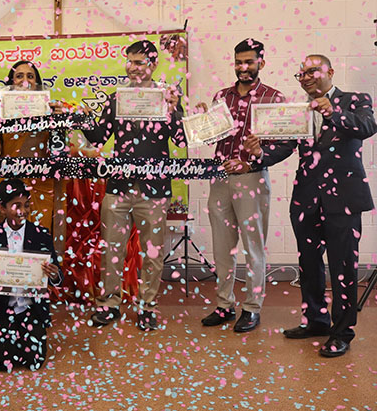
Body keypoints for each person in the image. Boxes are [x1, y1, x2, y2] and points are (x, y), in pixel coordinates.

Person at [245, 54, 377, 357]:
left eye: (311, 71)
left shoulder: (355, 100)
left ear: (330, 71)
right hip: (305, 199)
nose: (305, 77)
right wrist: (259, 154)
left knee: (343, 266)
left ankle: (342, 332)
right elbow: (284, 147)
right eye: (301, 74)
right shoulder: (298, 111)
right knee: (309, 264)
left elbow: (367, 126)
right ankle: (315, 321)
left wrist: (332, 112)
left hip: (344, 199)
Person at [83, 40, 185, 331]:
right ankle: (109, 304)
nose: (132, 67)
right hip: (118, 186)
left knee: (152, 254)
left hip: (155, 188)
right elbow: (99, 138)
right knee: (111, 250)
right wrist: (80, 118)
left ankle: (147, 306)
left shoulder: (167, 97)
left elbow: (181, 140)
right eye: (129, 61)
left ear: (153, 65)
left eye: (139, 62)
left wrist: (174, 110)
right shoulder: (116, 99)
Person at [198, 39, 285, 333]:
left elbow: (285, 144)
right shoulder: (222, 96)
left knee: (253, 247)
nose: (243, 67)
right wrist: (201, 121)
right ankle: (225, 305)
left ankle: (252, 308)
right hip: (220, 178)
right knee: (222, 248)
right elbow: (210, 138)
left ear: (262, 62)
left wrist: (257, 157)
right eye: (238, 62)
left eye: (249, 62)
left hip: (252, 178)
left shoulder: (274, 98)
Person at [0, 178, 62, 372]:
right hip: (2, 310)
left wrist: (54, 275)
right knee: (2, 364)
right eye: (16, 205)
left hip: (31, 310)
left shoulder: (41, 234)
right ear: (2, 208)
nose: (22, 211)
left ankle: (31, 333)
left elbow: (58, 277)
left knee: (34, 362)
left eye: (26, 205)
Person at [0, 60, 63, 231]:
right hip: (10, 182)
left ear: (37, 82)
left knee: (40, 235)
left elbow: (59, 151)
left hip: (40, 183)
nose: (25, 81)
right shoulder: (2, 111)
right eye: (19, 76)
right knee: (11, 236)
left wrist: (59, 122)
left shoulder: (49, 110)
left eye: (30, 76)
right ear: (11, 82)